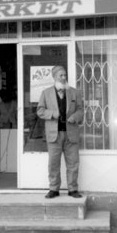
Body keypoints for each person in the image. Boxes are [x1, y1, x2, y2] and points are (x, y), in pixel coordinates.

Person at [37, 65, 84, 199]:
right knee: (53, 163)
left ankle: (73, 189)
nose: (64, 78)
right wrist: (53, 114)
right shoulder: (46, 93)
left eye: (65, 75)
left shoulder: (74, 92)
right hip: (54, 135)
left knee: (73, 163)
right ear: (54, 77)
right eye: (61, 76)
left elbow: (81, 110)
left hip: (71, 134)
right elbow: (40, 111)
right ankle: (53, 188)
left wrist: (75, 117)